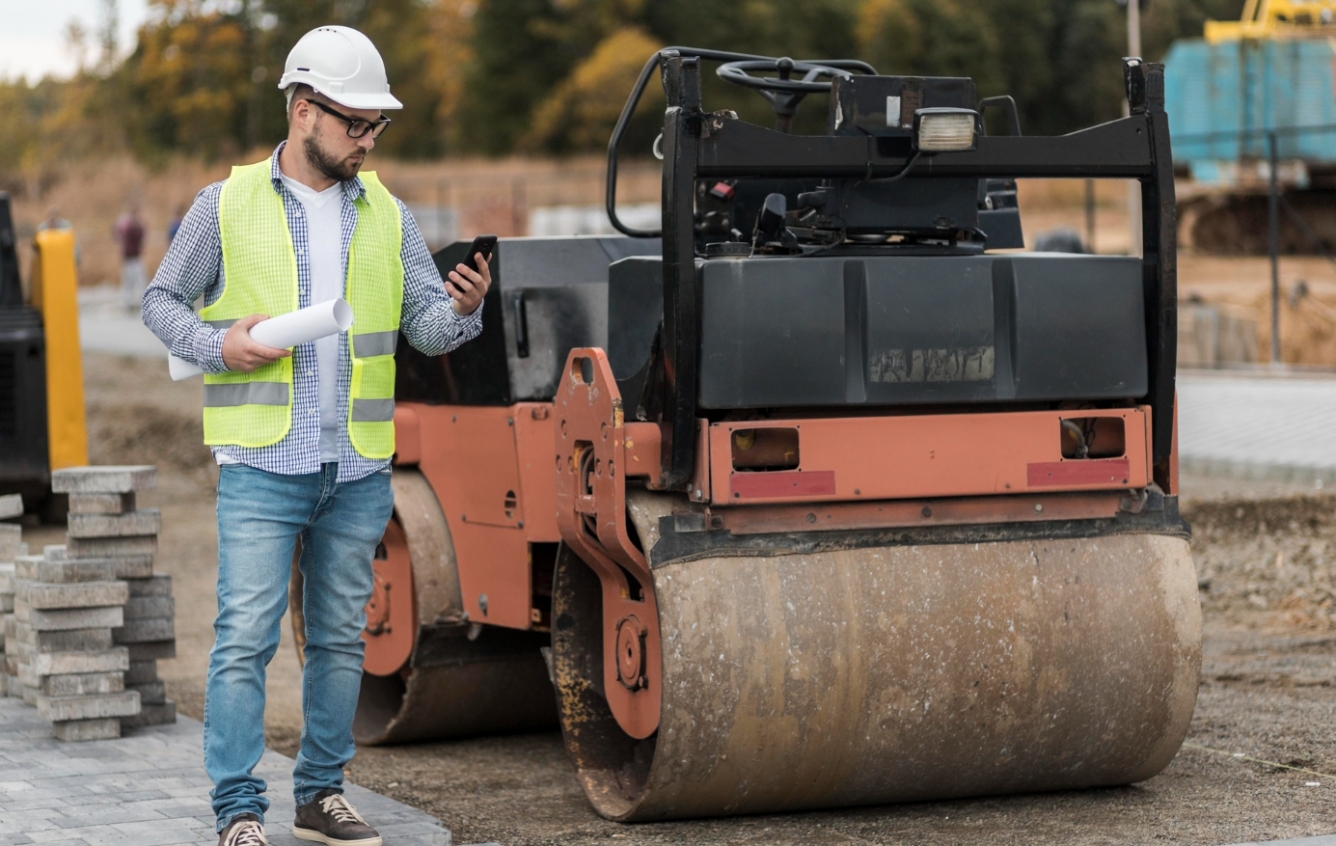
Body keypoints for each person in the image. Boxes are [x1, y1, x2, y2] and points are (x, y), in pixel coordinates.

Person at [142, 25, 492, 846]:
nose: (368, 140)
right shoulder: (223, 203)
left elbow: (425, 331)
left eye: (378, 127)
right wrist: (218, 344)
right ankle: (237, 810)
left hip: (358, 467)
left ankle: (320, 793)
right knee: (244, 642)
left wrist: (465, 311)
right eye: (355, 124)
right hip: (263, 463)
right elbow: (161, 302)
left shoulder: (389, 215)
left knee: (340, 639)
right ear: (304, 111)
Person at [114, 204, 146, 309]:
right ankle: (129, 302)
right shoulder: (130, 225)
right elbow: (140, 234)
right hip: (130, 257)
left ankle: (133, 301)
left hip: (133, 257)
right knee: (132, 281)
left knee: (136, 281)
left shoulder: (124, 224)